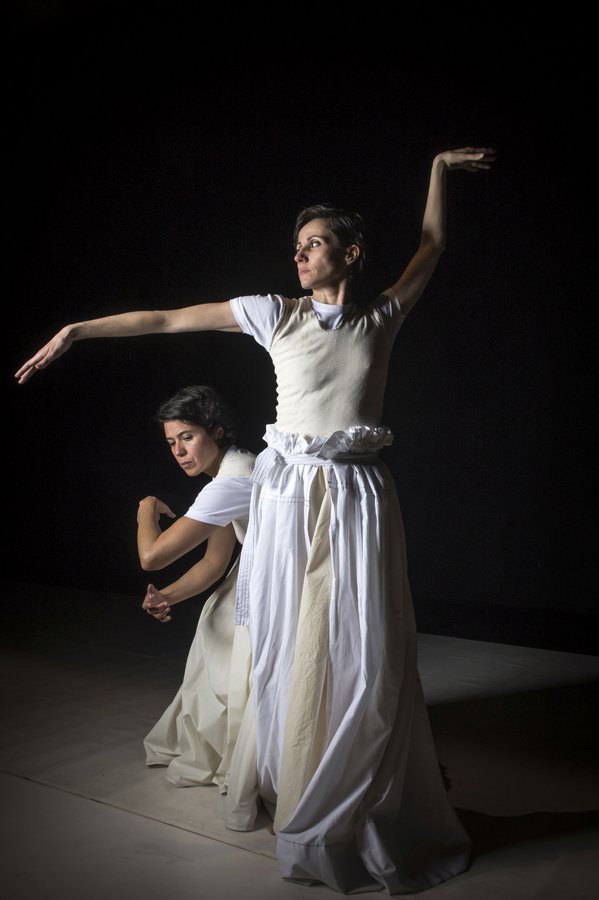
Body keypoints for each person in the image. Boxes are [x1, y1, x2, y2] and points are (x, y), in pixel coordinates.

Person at [15, 147, 496, 893]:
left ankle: (363, 777)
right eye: (296, 245)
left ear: (350, 253)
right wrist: (78, 329)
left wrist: (435, 169)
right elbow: (169, 317)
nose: (298, 255)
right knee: (293, 638)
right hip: (290, 492)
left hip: (356, 495)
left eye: (313, 243)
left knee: (360, 641)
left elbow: (430, 245)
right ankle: (294, 776)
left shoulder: (381, 315)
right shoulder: (275, 314)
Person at [135, 384, 256, 795]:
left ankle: (248, 754)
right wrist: (166, 596)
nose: (179, 451)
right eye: (172, 442)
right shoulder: (235, 467)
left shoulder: (231, 482)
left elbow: (151, 556)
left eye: (187, 437)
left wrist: (146, 509)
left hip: (275, 582)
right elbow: (213, 563)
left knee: (219, 629)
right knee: (214, 619)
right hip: (258, 572)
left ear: (217, 431)